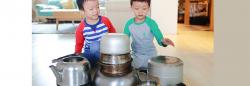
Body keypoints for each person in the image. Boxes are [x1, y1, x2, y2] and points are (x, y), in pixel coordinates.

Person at [123, 0, 175, 71]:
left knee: (151, 75)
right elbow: (124, 40)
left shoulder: (151, 23)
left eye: (144, 9)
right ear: (131, 8)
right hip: (136, 55)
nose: (140, 12)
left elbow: (159, 38)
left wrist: (163, 41)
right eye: (137, 8)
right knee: (137, 75)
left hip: (150, 55)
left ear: (149, 8)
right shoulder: (129, 24)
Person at [75, 0, 116, 68]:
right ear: (82, 11)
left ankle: (102, 64)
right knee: (94, 45)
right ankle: (95, 65)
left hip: (105, 52)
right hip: (90, 55)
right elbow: (79, 44)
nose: (96, 11)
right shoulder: (81, 27)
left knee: (98, 45)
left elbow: (113, 34)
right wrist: (76, 55)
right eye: (91, 9)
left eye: (97, 7)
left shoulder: (105, 21)